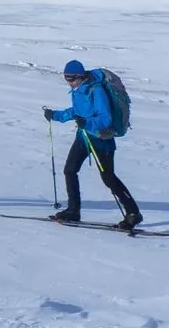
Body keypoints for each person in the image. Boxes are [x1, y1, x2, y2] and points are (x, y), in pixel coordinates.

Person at [44, 60, 142, 229]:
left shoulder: (97, 90)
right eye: (66, 78)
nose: (68, 82)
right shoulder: (78, 90)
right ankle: (73, 210)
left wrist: (87, 124)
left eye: (70, 79)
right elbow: (76, 112)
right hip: (83, 137)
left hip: (101, 139)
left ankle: (133, 213)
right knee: (70, 170)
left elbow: (106, 119)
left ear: (80, 76)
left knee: (109, 178)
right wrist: (55, 115)